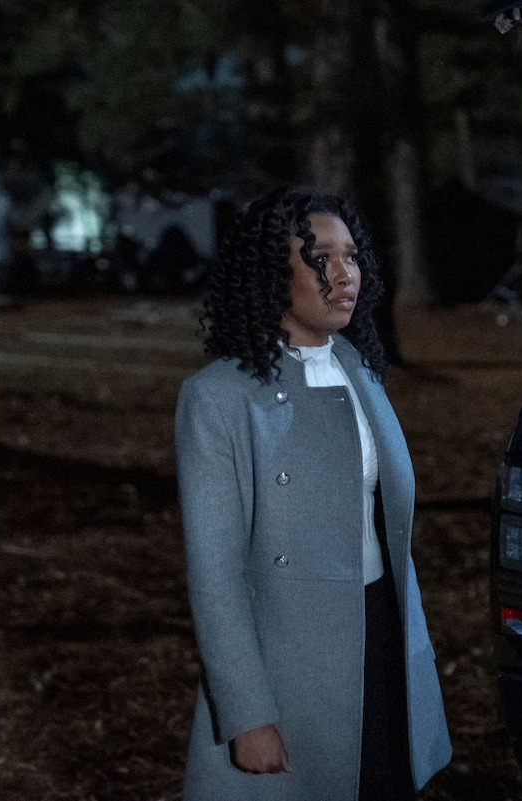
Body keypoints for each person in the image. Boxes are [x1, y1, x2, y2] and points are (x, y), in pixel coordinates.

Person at [175, 186, 452, 801]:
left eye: (351, 256)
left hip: (381, 632)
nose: (344, 274)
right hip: (289, 661)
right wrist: (247, 715)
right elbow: (215, 574)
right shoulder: (217, 398)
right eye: (320, 258)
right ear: (274, 276)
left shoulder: (359, 369)